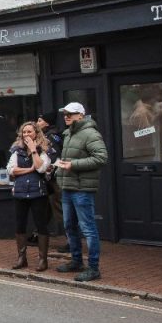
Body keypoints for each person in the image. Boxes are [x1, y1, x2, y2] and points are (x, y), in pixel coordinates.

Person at [54, 102, 108, 282]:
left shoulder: (90, 133)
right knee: (69, 226)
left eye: (71, 114)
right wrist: (58, 168)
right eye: (65, 114)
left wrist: (73, 165)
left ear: (81, 116)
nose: (67, 116)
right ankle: (76, 261)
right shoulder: (68, 133)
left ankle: (93, 268)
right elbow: (69, 159)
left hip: (82, 189)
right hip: (68, 187)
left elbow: (101, 158)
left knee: (88, 228)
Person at [6, 122, 53, 271]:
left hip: (38, 193)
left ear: (36, 134)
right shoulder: (16, 151)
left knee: (41, 225)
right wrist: (28, 170)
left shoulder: (43, 150)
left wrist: (33, 150)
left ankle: (43, 260)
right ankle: (21, 258)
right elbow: (11, 170)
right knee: (20, 225)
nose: (26, 135)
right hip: (20, 192)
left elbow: (40, 168)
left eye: (29, 132)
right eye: (24, 132)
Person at [37, 112, 68, 250]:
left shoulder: (51, 136)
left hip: (54, 179)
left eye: (39, 120)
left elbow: (53, 157)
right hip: (49, 179)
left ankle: (71, 241)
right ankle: (38, 234)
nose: (37, 123)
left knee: (59, 208)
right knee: (47, 208)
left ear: (46, 123)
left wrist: (48, 173)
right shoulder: (46, 135)